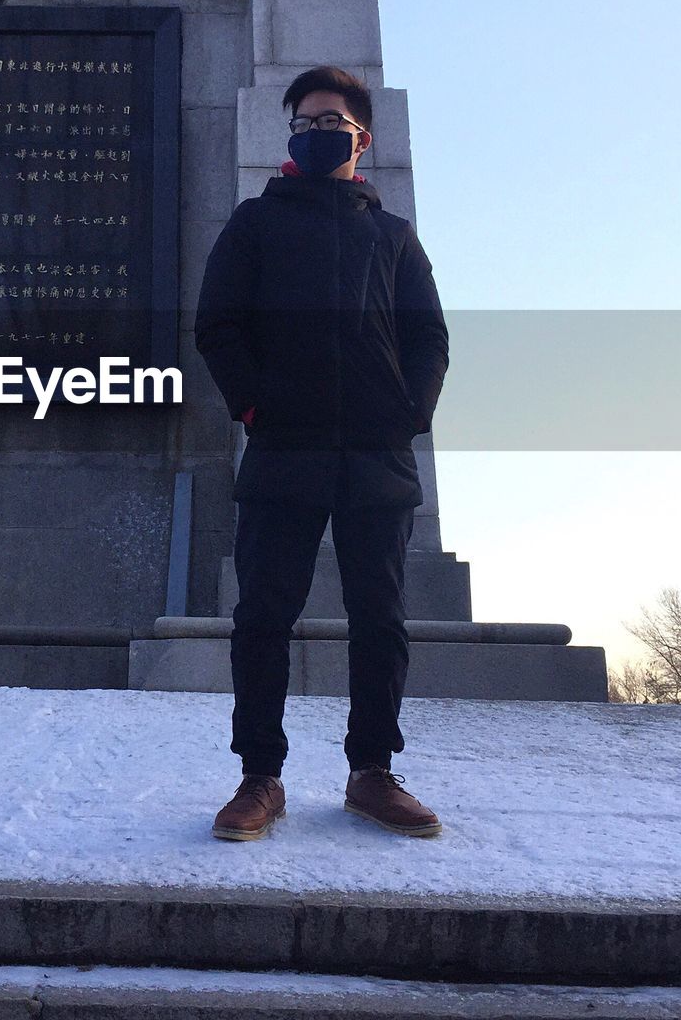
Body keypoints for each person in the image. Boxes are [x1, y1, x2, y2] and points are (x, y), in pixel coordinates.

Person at [194, 64, 449, 842]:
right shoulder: (254, 224)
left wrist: (407, 415)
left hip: (375, 458)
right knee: (264, 616)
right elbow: (218, 326)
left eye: (330, 120)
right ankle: (259, 778)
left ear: (361, 136)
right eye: (303, 123)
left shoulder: (393, 236)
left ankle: (372, 773)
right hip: (284, 451)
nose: (316, 132)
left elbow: (429, 338)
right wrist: (253, 405)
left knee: (381, 619)